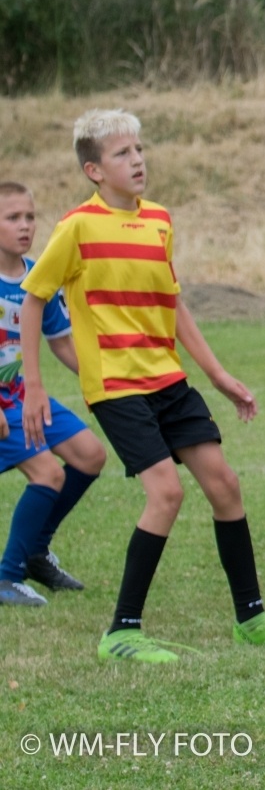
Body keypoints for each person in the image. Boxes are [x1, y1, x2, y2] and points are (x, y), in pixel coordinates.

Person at [20, 109, 265, 661]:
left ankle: (252, 620)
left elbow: (172, 304)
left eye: (139, 150)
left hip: (168, 379)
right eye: (122, 154)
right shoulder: (76, 227)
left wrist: (219, 375)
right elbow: (35, 299)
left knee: (224, 485)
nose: (137, 161)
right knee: (167, 492)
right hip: (116, 385)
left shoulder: (158, 220)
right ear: (93, 170)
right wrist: (35, 385)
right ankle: (122, 632)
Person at [0, 181, 106, 607]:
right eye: (12, 218)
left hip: (20, 394)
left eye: (29, 217)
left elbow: (62, 341)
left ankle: (34, 554)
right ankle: (7, 577)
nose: (25, 226)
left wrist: (109, 379)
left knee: (89, 455)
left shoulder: (37, 274)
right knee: (48, 474)